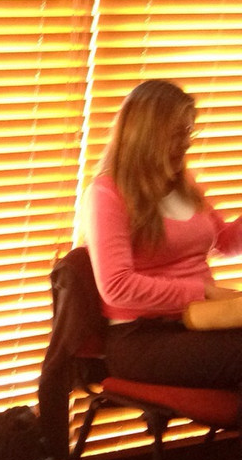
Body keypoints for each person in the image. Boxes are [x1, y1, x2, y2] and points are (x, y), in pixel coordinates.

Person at [84, 77, 242, 387]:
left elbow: (224, 242)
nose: (187, 143)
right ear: (147, 136)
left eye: (189, 132)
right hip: (140, 337)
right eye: (178, 134)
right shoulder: (107, 194)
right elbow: (117, 286)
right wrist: (202, 291)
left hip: (196, 320)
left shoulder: (185, 186)